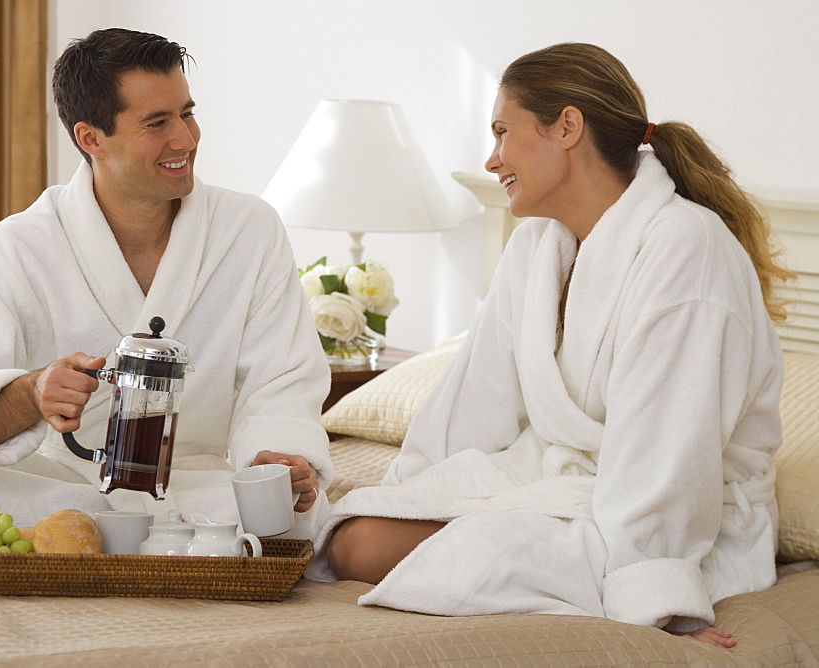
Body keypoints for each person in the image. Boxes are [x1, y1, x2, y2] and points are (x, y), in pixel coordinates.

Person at [306, 43, 793, 650]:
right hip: (558, 475)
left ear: (566, 126)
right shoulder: (537, 243)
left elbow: (673, 448)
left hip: (664, 517)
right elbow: (475, 396)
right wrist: (413, 493)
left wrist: (657, 601)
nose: (492, 159)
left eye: (503, 132)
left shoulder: (687, 252)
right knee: (356, 535)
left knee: (436, 558)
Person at [0, 28, 332, 559]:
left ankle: (77, 544)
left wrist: (275, 462)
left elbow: (281, 381)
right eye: (157, 123)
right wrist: (29, 393)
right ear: (91, 138)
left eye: (186, 113)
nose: (186, 139)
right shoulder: (18, 247)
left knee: (292, 514)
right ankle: (132, 539)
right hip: (64, 483)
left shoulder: (248, 229)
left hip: (203, 485)